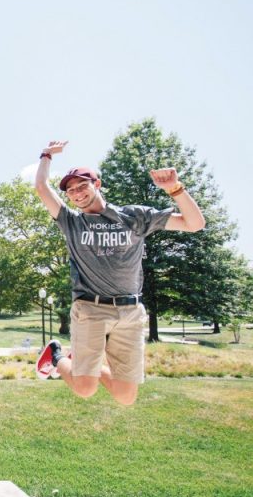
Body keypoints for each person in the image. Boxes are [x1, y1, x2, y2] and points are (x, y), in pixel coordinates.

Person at [33, 140, 205, 405]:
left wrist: (175, 189)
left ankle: (79, 365)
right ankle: (57, 356)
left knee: (125, 396)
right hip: (91, 309)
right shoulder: (72, 222)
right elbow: (42, 187)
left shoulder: (134, 217)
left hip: (130, 312)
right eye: (71, 191)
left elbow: (194, 224)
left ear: (97, 184)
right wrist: (46, 155)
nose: (77, 193)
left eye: (82, 185)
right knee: (84, 388)